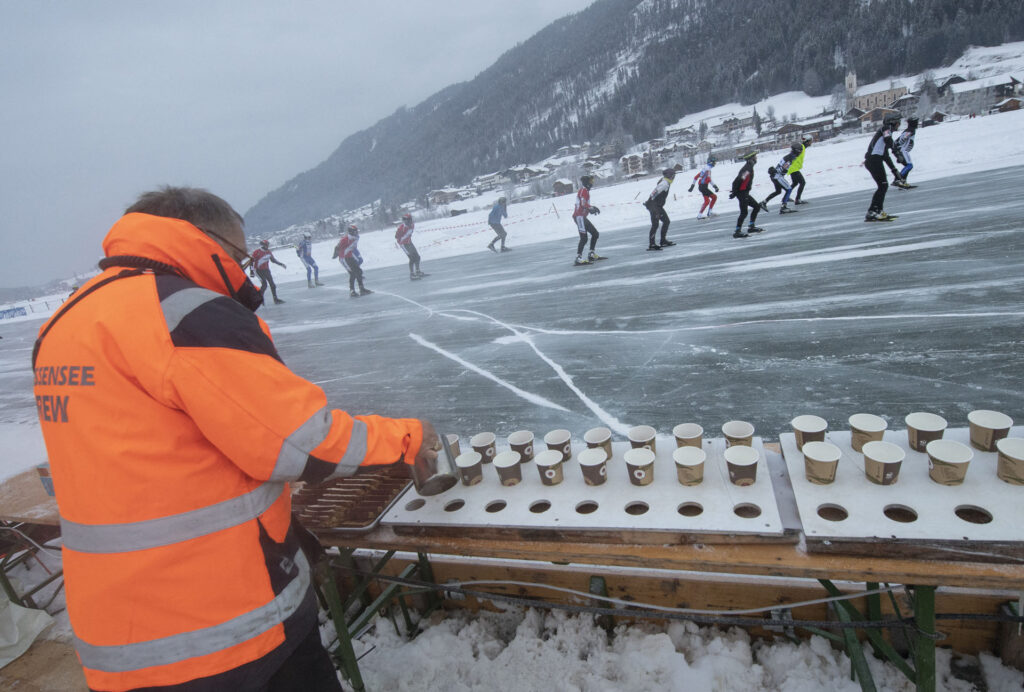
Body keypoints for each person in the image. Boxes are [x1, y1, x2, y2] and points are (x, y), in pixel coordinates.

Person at [30, 186, 440, 692]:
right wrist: (407, 437)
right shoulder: (184, 313)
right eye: (239, 256)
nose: (244, 272)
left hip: (119, 636)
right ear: (206, 240)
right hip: (224, 626)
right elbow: (298, 442)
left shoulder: (65, 322)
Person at [864, 114, 902, 221]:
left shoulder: (885, 135)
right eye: (898, 122)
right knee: (883, 185)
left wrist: (895, 171)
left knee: (883, 186)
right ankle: (873, 211)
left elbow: (886, 156)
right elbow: (889, 140)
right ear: (892, 122)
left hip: (875, 160)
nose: (899, 125)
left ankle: (876, 211)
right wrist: (896, 151)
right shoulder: (886, 129)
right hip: (873, 160)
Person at [729, 151, 764, 238]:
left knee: (756, 207)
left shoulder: (749, 167)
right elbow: (738, 180)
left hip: (744, 192)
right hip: (741, 193)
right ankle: (737, 231)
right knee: (744, 212)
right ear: (751, 159)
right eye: (755, 157)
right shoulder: (747, 168)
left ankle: (751, 227)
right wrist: (734, 192)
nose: (756, 158)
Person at [572, 175, 604, 265]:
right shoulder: (583, 190)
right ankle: (578, 258)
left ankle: (591, 254)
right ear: (587, 183)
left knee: (595, 234)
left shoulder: (585, 191)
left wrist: (591, 208)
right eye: (591, 181)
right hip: (579, 217)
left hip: (582, 217)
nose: (592, 183)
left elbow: (584, 205)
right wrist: (590, 208)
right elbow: (583, 204)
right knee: (584, 238)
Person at [333, 224, 371, 297]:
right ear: (351, 232)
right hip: (343, 258)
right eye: (355, 231)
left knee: (359, 271)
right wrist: (335, 254)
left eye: (357, 231)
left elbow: (352, 247)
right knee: (352, 273)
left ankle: (361, 289)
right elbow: (337, 247)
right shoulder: (344, 239)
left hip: (349, 256)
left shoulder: (356, 237)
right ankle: (352, 291)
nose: (357, 233)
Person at [644, 168, 677, 250]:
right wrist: (652, 206)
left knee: (666, 221)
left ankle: (663, 241)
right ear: (669, 176)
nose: (674, 177)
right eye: (673, 176)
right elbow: (654, 193)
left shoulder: (665, 182)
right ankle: (652, 244)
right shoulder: (664, 183)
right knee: (655, 224)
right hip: (653, 205)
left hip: (657, 206)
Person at [761, 146, 799, 213]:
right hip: (778, 176)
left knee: (778, 191)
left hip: (774, 176)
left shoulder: (788, 156)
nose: (800, 152)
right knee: (789, 189)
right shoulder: (790, 158)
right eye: (800, 151)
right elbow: (782, 168)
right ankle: (783, 207)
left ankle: (764, 202)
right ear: (797, 151)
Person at [249, 239, 287, 304]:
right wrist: (251, 271)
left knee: (272, 285)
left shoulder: (268, 252)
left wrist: (281, 264)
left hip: (266, 270)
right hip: (258, 270)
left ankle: (275, 299)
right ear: (263, 245)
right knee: (264, 285)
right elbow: (251, 262)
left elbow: (273, 260)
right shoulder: (257, 252)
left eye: (268, 245)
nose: (267, 246)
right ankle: (260, 299)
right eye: (266, 245)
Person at [396, 213, 427, 280]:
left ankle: (418, 271)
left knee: (417, 257)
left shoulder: (412, 225)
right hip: (403, 244)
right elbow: (396, 237)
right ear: (405, 221)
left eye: (410, 220)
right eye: (408, 220)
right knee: (412, 258)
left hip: (409, 242)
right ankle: (412, 274)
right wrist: (402, 240)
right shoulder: (401, 228)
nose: (409, 221)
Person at [893, 117, 919, 188]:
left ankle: (903, 182)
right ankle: (897, 180)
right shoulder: (911, 130)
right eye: (916, 122)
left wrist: (896, 145)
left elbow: (897, 140)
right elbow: (903, 137)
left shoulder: (909, 129)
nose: (917, 124)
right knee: (909, 166)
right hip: (903, 151)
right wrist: (898, 145)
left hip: (902, 150)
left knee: (907, 166)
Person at [786, 136, 812, 204]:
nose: (811, 142)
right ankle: (797, 199)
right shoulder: (801, 147)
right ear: (808, 141)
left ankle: (786, 197)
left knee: (795, 183)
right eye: (810, 141)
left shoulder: (802, 147)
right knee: (802, 182)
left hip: (793, 168)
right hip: (794, 168)